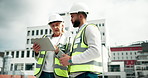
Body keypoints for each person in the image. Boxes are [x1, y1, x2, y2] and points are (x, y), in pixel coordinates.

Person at [59, 3, 102, 78]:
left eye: (72, 16)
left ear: (80, 16)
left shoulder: (89, 28)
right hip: (80, 75)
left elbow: (95, 51)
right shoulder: (79, 33)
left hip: (87, 75)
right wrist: (69, 57)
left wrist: (70, 59)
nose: (71, 19)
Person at [33, 14, 70, 78]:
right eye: (52, 26)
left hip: (59, 75)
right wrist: (36, 53)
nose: (55, 27)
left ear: (62, 25)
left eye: (57, 25)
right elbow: (38, 59)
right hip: (43, 74)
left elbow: (68, 60)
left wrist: (57, 51)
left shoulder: (67, 40)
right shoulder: (45, 38)